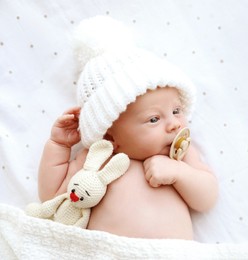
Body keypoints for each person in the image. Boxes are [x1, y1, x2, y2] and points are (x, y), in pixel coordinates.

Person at [37, 16, 218, 239]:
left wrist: (180, 174)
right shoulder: (98, 158)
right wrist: (59, 145)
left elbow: (207, 199)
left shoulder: (180, 157)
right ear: (111, 136)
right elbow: (52, 196)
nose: (174, 124)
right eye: (154, 119)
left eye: (176, 111)